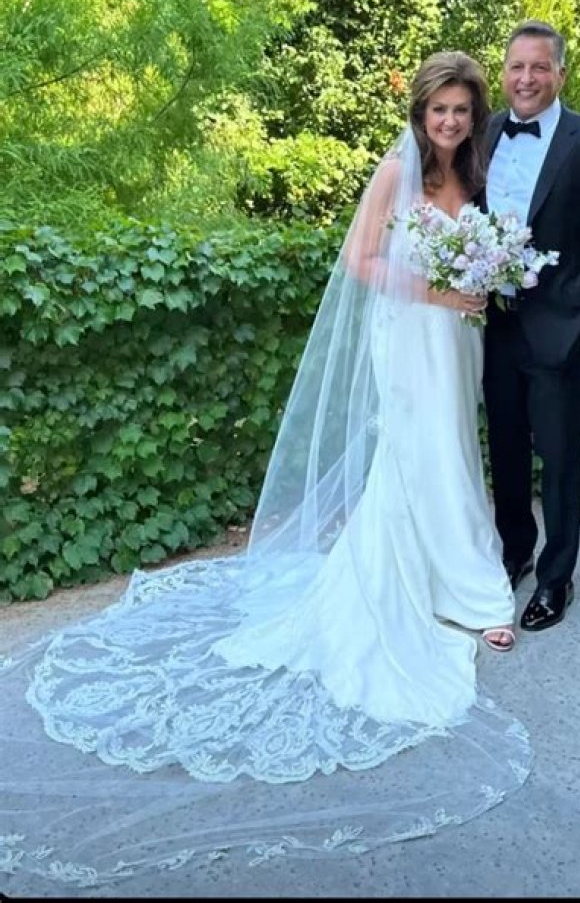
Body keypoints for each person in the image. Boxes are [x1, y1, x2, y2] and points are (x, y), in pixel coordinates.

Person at [0, 52, 531, 891]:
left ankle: (458, 580)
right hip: (409, 336)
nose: (451, 122)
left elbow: (482, 253)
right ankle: (448, 589)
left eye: (463, 111)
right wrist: (439, 292)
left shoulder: (477, 173)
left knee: (456, 453)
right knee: (415, 455)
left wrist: (481, 279)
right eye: (441, 110)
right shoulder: (394, 169)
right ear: (421, 110)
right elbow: (362, 261)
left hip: (455, 342)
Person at [481, 20, 580, 632]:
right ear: (504, 73)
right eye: (516, 67)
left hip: (562, 330)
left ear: (560, 74)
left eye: (539, 67)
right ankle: (515, 552)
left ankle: (556, 579)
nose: (526, 78)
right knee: (505, 450)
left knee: (559, 459)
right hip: (492, 326)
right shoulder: (483, 132)